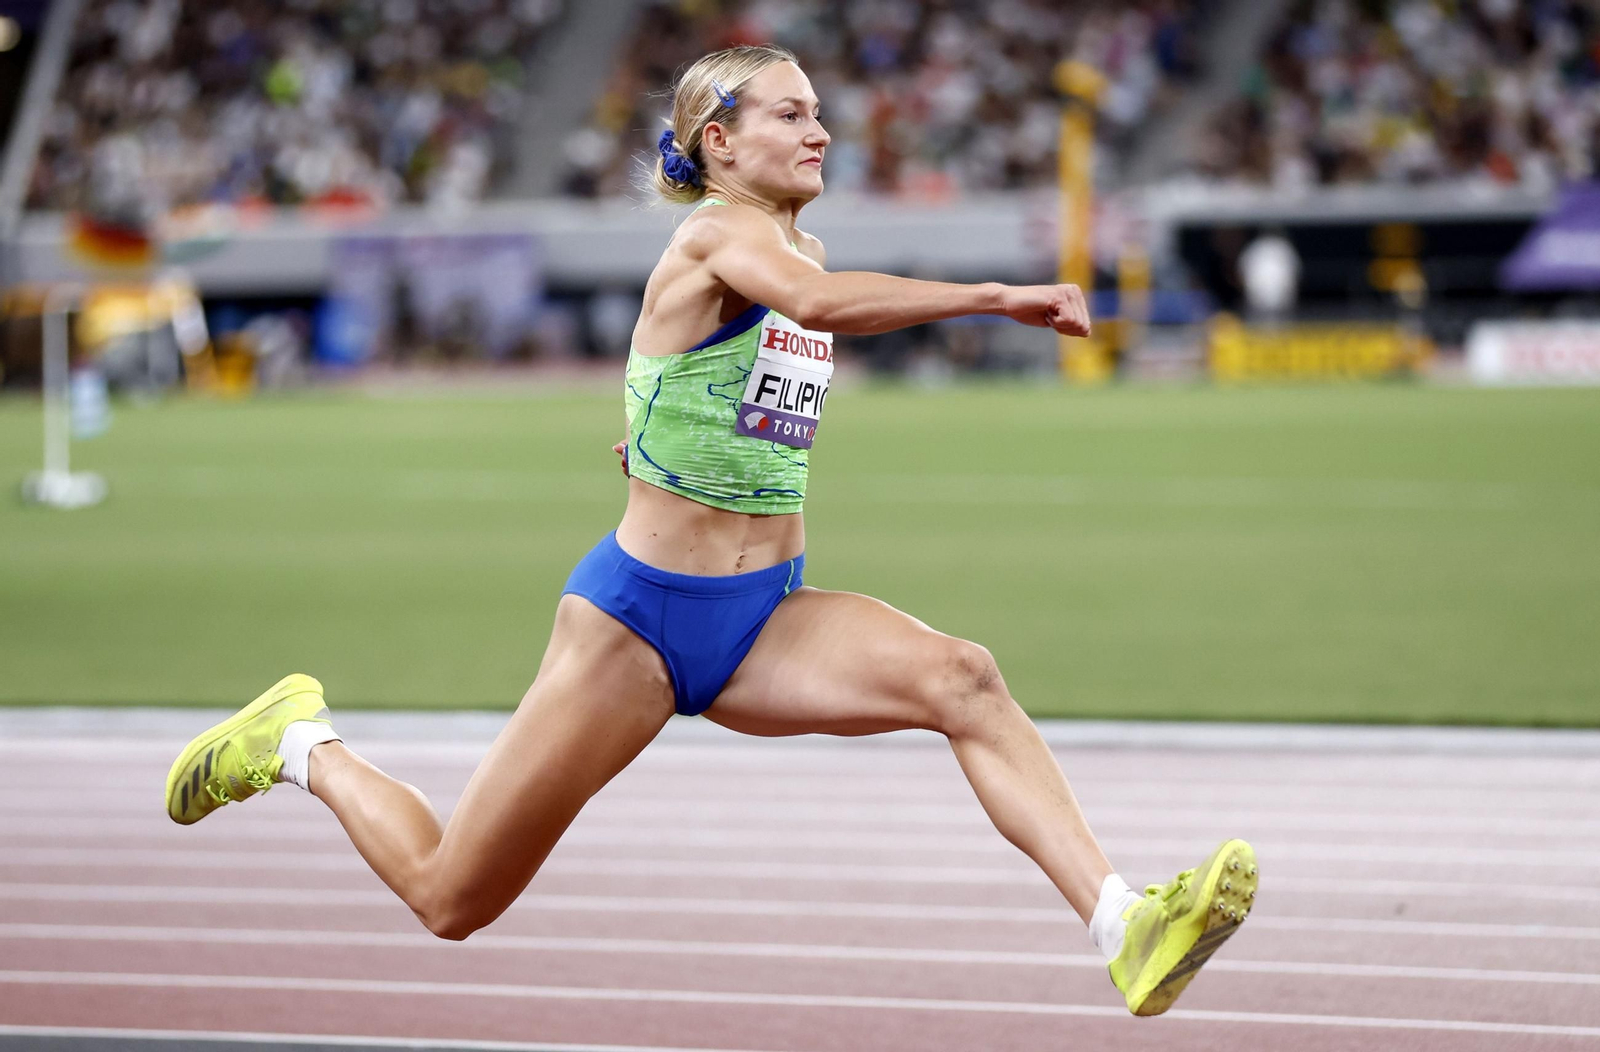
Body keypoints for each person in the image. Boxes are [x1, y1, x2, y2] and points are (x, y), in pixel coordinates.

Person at [165, 44, 1257, 1018]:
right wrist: (993, 294)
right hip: (635, 625)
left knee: (963, 677)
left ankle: (1125, 925)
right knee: (451, 897)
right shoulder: (718, 234)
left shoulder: (797, 248)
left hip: (764, 617)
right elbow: (811, 309)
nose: (818, 128)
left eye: (818, 110)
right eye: (788, 113)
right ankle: (300, 743)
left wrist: (650, 430)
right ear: (719, 141)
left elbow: (719, 387)